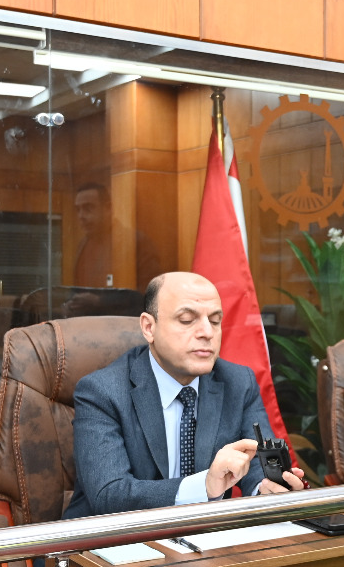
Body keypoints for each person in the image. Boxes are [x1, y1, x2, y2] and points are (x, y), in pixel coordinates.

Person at [64, 270, 304, 520]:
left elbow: (257, 463)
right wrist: (203, 487)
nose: (207, 332)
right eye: (187, 320)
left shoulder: (237, 382)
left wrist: (266, 488)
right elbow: (109, 496)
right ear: (149, 327)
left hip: (206, 536)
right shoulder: (102, 391)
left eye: (215, 321)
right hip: (116, 537)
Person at [72, 181, 113, 288]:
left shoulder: (132, 243)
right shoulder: (83, 245)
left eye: (88, 208)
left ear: (108, 208)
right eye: (78, 210)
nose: (81, 216)